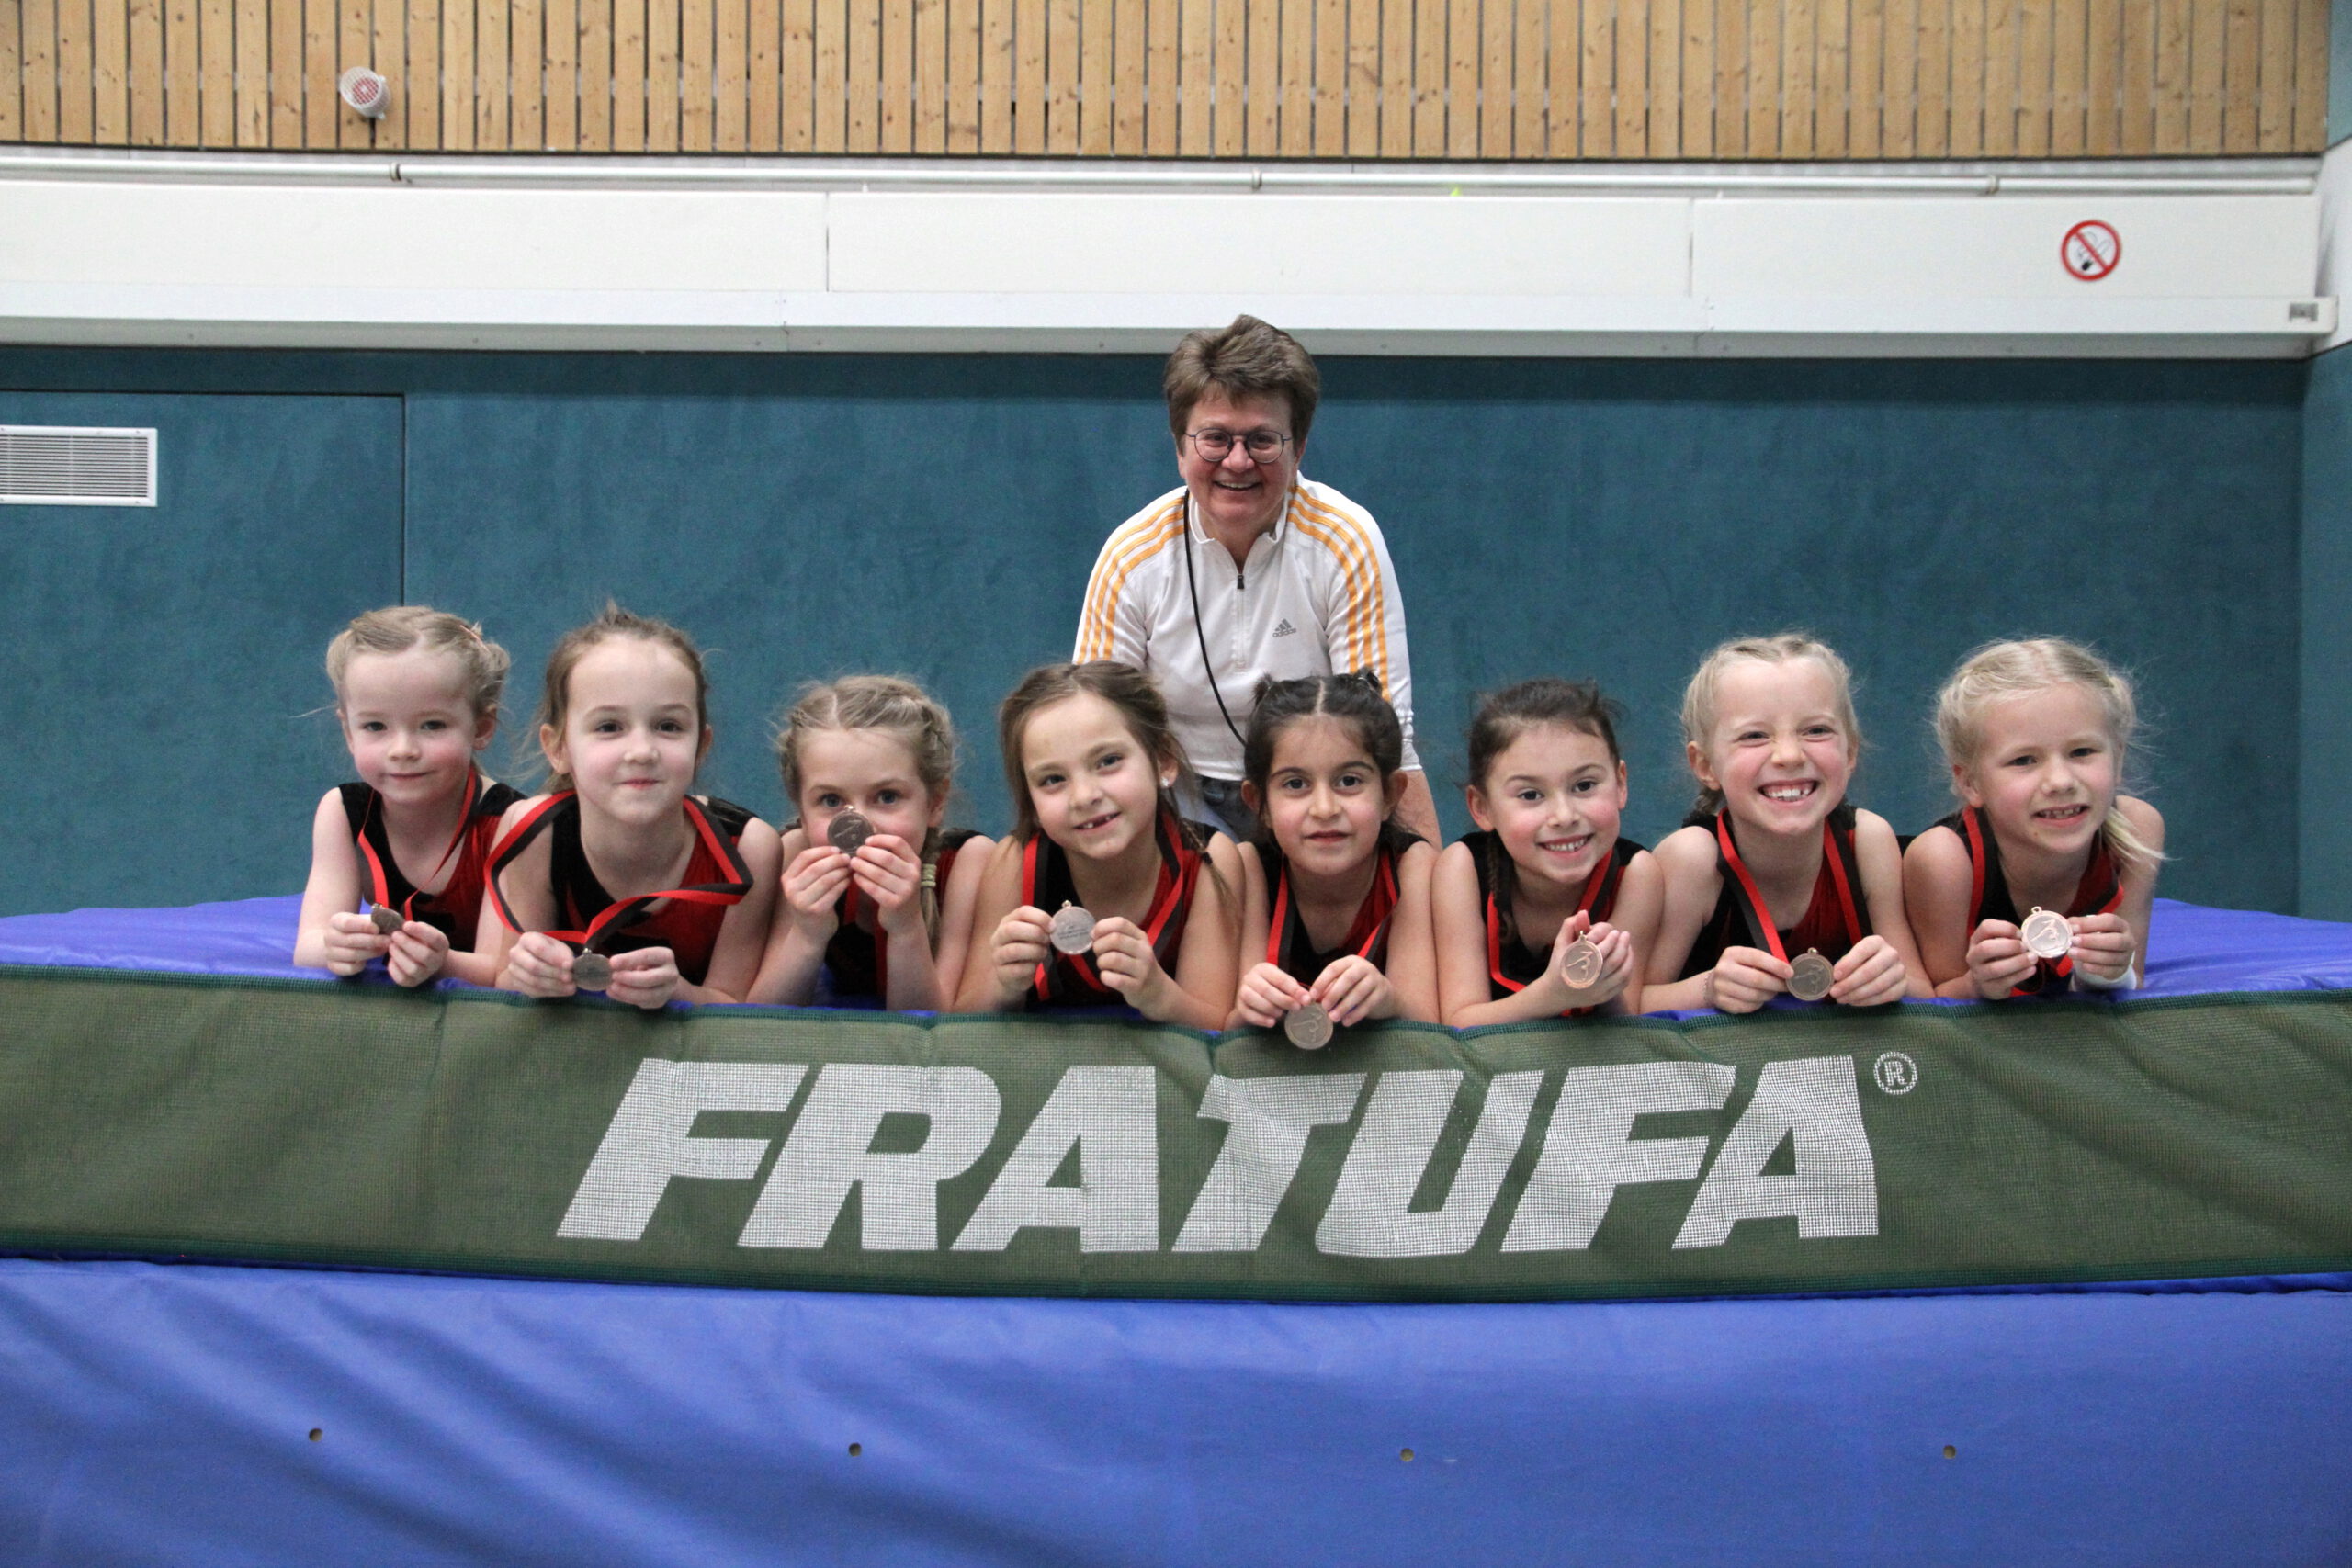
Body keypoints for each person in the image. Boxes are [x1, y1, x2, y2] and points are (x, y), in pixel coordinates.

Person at [1074, 315, 1438, 845]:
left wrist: (1432, 879)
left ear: (1299, 449)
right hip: (1173, 793)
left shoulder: (1345, 540)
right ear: (1180, 449)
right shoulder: (1132, 556)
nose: (1238, 461)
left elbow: (1385, 735)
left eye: (1263, 440)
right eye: (1215, 439)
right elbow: (1093, 731)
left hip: (1309, 789)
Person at [477, 604, 780, 1009]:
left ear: (701, 747)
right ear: (558, 748)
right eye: (609, 727)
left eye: (668, 726)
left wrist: (679, 994)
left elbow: (735, 1006)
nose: (641, 751)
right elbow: (503, 985)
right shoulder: (532, 832)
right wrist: (527, 976)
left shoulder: (747, 849)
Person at [1644, 634, 1924, 1013]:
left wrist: (1894, 980)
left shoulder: (1866, 843)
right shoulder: (1692, 860)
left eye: (1816, 730)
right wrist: (1707, 989)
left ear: (1850, 751)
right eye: (1754, 735)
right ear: (1705, 765)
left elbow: (1924, 990)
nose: (1789, 755)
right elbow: (1629, 1006)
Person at [955, 660, 1242, 1029]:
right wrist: (1003, 986)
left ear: (1163, 760)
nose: (1084, 796)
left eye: (1108, 761)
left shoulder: (1207, 861)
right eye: (1053, 779)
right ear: (1030, 799)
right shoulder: (1014, 862)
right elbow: (960, 1028)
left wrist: (1158, 994)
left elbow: (1219, 1033)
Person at [1904, 638, 2164, 998]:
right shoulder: (1943, 860)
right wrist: (1976, 986)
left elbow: (2131, 979)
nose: (2060, 781)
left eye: (2082, 751)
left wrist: (2107, 972)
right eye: (2024, 760)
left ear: (2117, 759)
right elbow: (1934, 997)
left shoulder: (2137, 831)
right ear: (1970, 782)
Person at [294, 606, 523, 988]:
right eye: (375, 726)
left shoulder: (512, 823)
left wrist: (442, 963)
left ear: (481, 728)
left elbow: (499, 971)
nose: (402, 749)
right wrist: (338, 946)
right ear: (349, 733)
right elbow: (308, 948)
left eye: (432, 725)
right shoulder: (344, 812)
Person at [749, 675, 994, 1010]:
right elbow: (759, 1021)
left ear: (936, 801)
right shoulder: (794, 854)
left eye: (887, 796)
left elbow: (936, 1028)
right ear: (802, 812)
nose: (861, 824)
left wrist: (906, 927)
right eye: (832, 800)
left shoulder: (966, 863)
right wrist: (807, 935)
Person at [1433, 679, 1660, 1025]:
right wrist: (1554, 994)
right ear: (1482, 807)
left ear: (1620, 783)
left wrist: (1606, 981)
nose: (1564, 816)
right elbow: (1458, 1023)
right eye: (1530, 795)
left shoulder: (1636, 875)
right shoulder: (1461, 869)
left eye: (1584, 785)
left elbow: (1626, 1022)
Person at [1228, 671, 1438, 1037]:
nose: (1324, 808)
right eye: (1296, 784)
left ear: (1390, 794)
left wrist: (1390, 1001)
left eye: (1349, 781)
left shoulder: (1415, 867)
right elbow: (1220, 1035)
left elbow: (1435, 1030)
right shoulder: (1247, 869)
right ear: (1259, 803)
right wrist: (1248, 1013)